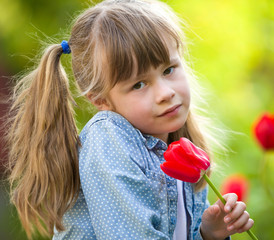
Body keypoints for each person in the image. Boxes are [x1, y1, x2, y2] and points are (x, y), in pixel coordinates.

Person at [6, 0, 254, 239]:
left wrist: (208, 234)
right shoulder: (108, 139)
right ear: (100, 100)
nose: (165, 93)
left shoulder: (183, 151)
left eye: (168, 70)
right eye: (139, 84)